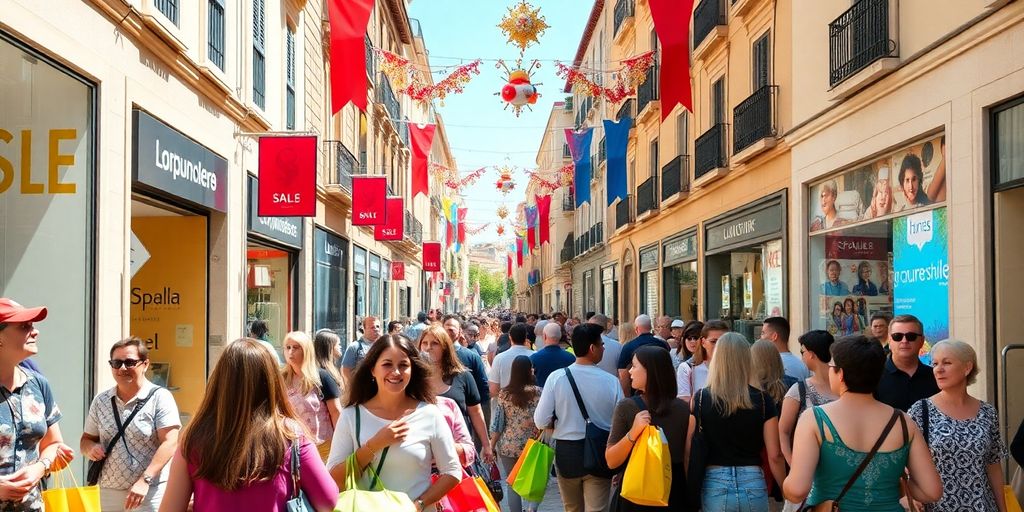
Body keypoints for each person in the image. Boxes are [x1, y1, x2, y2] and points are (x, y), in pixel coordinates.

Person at [160, 339, 339, 511]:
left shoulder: (194, 438)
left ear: (219, 382)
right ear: (272, 382)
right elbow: (328, 501)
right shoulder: (291, 435)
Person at [783, 335, 942, 511]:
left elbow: (797, 490)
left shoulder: (814, 418)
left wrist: (785, 485)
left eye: (832, 367)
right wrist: (890, 487)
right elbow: (932, 491)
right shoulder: (903, 421)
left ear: (841, 374)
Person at [326, 335, 461, 512]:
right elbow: (333, 478)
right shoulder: (352, 416)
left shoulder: (430, 414)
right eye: (387, 364)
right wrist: (374, 445)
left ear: (412, 370)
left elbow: (452, 472)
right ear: (373, 369)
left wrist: (419, 505)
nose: (396, 372)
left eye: (403, 365)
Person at [82, 337, 180, 512]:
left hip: (148, 491)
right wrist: (91, 448)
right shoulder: (101, 400)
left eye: (129, 362)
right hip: (108, 491)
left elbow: (170, 442)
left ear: (145, 364)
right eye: (116, 363)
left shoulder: (160, 397)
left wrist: (145, 480)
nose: (122, 368)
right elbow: (86, 440)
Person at [908, 340, 1007, 512]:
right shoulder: (920, 410)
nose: (938, 369)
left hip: (983, 506)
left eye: (947, 363)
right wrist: (909, 495)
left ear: (967, 368)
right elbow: (904, 461)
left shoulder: (988, 413)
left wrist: (1003, 509)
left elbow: (993, 465)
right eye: (935, 363)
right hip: (938, 507)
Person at [535, 324, 624, 512]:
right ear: (592, 348)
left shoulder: (556, 378)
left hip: (568, 452)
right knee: (598, 508)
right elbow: (620, 423)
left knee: (572, 508)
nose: (604, 348)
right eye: (601, 344)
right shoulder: (612, 382)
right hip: (601, 450)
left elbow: (540, 420)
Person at [693, 333, 786, 511]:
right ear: (747, 359)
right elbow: (775, 455)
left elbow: (691, 448)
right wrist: (785, 489)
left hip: (714, 479)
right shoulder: (763, 399)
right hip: (752, 478)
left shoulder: (700, 399)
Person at [0, 298, 75, 510]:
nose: (35, 332)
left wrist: (40, 468)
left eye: (32, 325)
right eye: (24, 326)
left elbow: (53, 443)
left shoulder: (38, 384)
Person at [605, 346, 692, 511]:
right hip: (674, 491)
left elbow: (611, 460)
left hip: (638, 491)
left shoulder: (627, 406)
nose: (630, 371)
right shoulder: (683, 408)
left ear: (650, 371)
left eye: (635, 365)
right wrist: (633, 432)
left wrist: (632, 434)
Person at [418, 325, 493, 462]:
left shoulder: (463, 376)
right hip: (421, 456)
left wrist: (486, 444)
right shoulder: (412, 379)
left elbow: (475, 412)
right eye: (425, 343)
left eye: (435, 343)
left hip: (457, 453)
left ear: (445, 347)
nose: (428, 347)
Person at [490, 356, 542, 512]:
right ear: (529, 370)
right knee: (534, 480)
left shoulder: (504, 394)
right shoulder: (539, 393)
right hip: (532, 445)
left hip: (508, 445)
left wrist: (490, 445)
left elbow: (498, 423)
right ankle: (531, 509)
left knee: (512, 483)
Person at [779, 330, 838, 465]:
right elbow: (783, 431)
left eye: (802, 352)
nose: (801, 357)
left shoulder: (844, 386)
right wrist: (792, 463)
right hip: (808, 470)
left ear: (811, 354)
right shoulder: (799, 390)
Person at [281, 331, 341, 460]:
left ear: (306, 350)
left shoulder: (321, 377)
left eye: (296, 348)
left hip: (323, 446)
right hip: (292, 447)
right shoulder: (281, 379)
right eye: (288, 347)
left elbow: (336, 412)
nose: (290, 352)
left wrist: (342, 442)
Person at [875, 315, 939, 412]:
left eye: (911, 336)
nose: (904, 341)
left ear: (921, 341)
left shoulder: (937, 377)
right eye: (897, 336)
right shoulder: (873, 377)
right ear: (890, 340)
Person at [444, 315, 491, 427]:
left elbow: (483, 389)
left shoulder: (472, 356)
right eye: (445, 329)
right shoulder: (432, 357)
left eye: (451, 329)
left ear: (460, 331)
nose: (448, 332)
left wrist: (483, 422)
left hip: (466, 418)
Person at [617, 315, 671, 397]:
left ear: (636, 328)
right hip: (661, 391)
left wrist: (626, 397)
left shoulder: (629, 346)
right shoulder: (662, 344)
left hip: (637, 393)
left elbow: (623, 374)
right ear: (650, 327)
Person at [675, 320, 728, 403]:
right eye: (713, 342)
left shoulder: (735, 367)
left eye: (723, 342)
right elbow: (685, 403)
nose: (719, 346)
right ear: (703, 342)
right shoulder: (687, 368)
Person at [488, 323, 534, 398]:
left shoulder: (499, 358)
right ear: (525, 337)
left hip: (505, 404)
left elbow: (493, 389)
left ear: (510, 337)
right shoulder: (534, 355)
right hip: (531, 404)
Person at [760, 316, 810, 384]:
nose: (761, 338)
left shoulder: (766, 365)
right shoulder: (802, 366)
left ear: (774, 336)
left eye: (763, 333)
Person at [530, 322, 575, 388]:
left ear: (544, 336)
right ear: (560, 336)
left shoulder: (533, 358)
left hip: (542, 396)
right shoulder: (571, 357)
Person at [340, 316, 382, 385]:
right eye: (372, 327)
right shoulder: (354, 347)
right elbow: (346, 370)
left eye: (377, 327)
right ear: (364, 329)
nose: (376, 329)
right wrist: (355, 386)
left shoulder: (383, 346)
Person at [313, 329, 344, 394]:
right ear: (329, 347)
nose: (340, 347)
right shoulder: (323, 374)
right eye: (338, 344)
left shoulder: (331, 369)